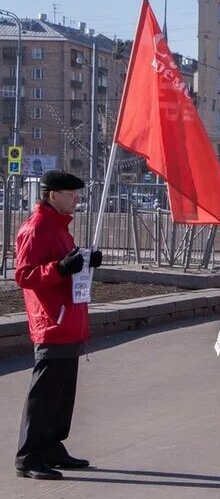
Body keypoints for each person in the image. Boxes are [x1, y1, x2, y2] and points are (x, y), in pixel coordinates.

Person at [14, 171, 102, 480]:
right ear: (53, 195)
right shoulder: (36, 228)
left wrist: (86, 261)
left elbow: (68, 265)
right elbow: (24, 275)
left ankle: (51, 447)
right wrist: (61, 267)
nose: (77, 198)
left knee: (62, 394)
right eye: (71, 193)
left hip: (68, 320)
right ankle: (28, 456)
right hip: (51, 321)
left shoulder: (60, 228)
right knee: (45, 394)